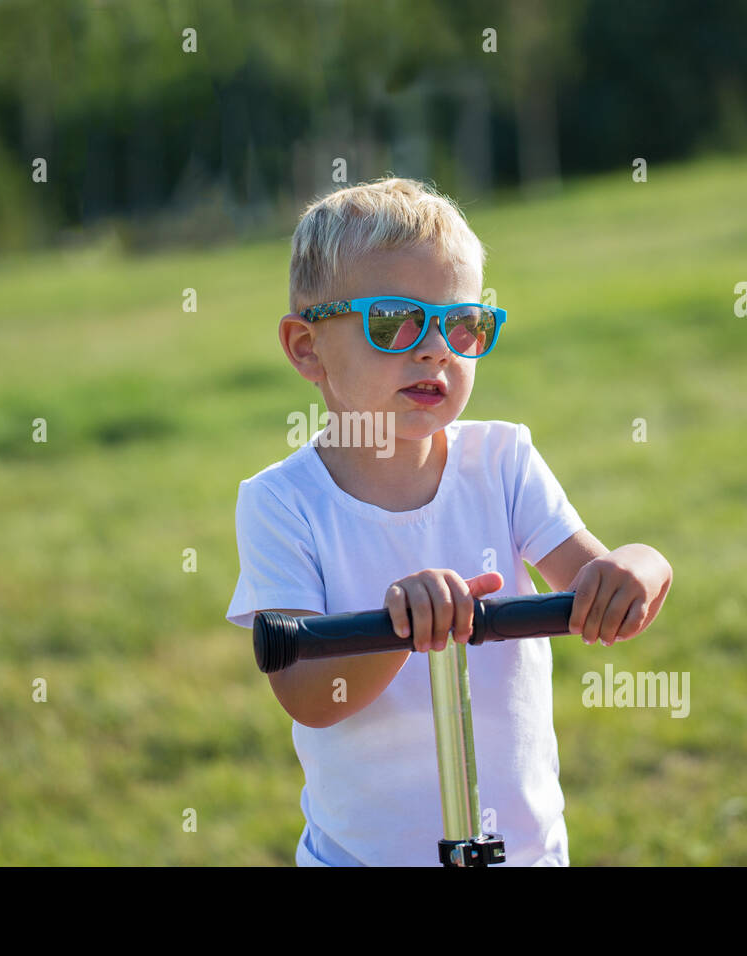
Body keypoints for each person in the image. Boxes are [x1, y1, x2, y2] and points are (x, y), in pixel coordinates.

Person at [225, 177, 672, 866]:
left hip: (523, 850)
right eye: (395, 322)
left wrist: (640, 566)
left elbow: (595, 578)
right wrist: (399, 627)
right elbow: (309, 695)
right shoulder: (281, 504)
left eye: (462, 326)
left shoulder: (502, 461)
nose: (436, 348)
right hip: (365, 856)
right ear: (307, 348)